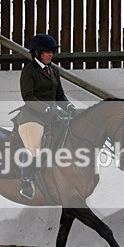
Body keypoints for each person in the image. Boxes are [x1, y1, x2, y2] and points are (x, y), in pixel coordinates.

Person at [15, 34, 76, 200]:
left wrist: (68, 106)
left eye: (52, 52)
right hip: (32, 118)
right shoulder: (29, 71)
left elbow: (59, 94)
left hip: (52, 117)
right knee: (34, 146)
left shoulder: (54, 70)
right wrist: (47, 109)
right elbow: (28, 97)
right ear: (37, 53)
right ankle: (25, 182)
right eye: (47, 52)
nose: (50, 54)